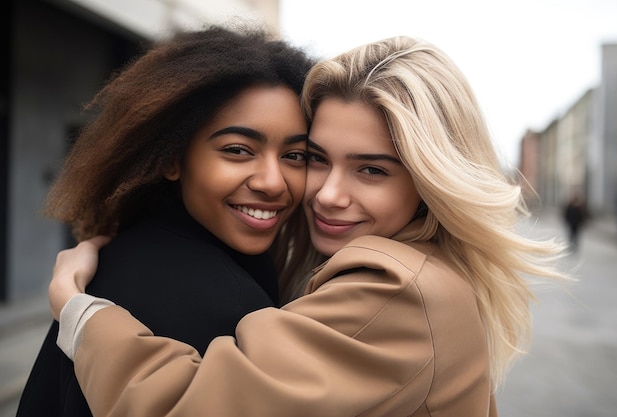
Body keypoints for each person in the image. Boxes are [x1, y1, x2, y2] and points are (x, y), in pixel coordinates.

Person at [48, 35, 570, 417]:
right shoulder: (415, 271)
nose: (327, 193)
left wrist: (78, 309)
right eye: (316, 158)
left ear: (430, 180)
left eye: (371, 169)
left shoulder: (397, 289)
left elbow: (181, 406)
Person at [16, 25, 316, 417]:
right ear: (173, 158)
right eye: (238, 150)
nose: (273, 183)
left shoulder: (127, 249)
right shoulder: (229, 307)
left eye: (295, 156)